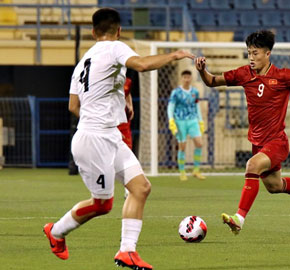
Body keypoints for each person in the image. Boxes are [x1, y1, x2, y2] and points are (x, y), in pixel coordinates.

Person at [43, 8, 194, 270]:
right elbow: (143, 65)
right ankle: (55, 231)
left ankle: (127, 251)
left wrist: (104, 113)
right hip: (95, 139)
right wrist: (175, 55)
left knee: (141, 187)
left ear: (93, 32)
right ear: (118, 31)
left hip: (107, 134)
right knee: (103, 204)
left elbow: (72, 105)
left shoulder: (82, 63)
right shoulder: (115, 48)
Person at [195, 30, 290, 235]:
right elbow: (212, 81)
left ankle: (238, 219)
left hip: (277, 141)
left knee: (252, 165)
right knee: (274, 186)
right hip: (257, 142)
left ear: (267, 54)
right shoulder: (243, 74)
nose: (251, 57)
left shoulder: (282, 76)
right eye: (249, 53)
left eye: (255, 53)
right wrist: (202, 70)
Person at [167, 70, 206, 181]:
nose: (187, 79)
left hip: (192, 120)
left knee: (199, 143)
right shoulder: (176, 92)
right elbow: (171, 107)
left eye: (188, 77)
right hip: (180, 121)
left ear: (191, 78)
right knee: (182, 146)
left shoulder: (195, 92)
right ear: (182, 78)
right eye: (185, 77)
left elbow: (197, 106)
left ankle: (196, 170)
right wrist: (171, 120)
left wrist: (200, 120)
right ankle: (182, 171)